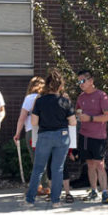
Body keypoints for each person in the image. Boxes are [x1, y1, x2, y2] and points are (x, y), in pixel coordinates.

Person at [23, 70, 77, 207]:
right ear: (60, 85)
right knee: (57, 168)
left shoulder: (40, 101)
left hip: (45, 135)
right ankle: (56, 201)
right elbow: (73, 122)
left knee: (38, 168)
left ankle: (30, 200)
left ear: (47, 85)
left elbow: (34, 122)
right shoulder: (65, 101)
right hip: (62, 136)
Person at [76, 69, 108, 205]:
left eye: (83, 81)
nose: (80, 84)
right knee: (90, 164)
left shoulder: (102, 96)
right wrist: (78, 116)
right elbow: (78, 112)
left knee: (99, 164)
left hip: (98, 136)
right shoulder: (81, 97)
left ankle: (105, 193)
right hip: (84, 135)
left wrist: (90, 118)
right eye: (79, 81)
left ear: (91, 81)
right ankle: (93, 191)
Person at [14, 76, 51, 197]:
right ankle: (45, 186)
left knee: (36, 160)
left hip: (31, 131)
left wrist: (17, 133)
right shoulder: (47, 98)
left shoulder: (29, 98)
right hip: (46, 131)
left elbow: (22, 117)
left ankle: (38, 187)